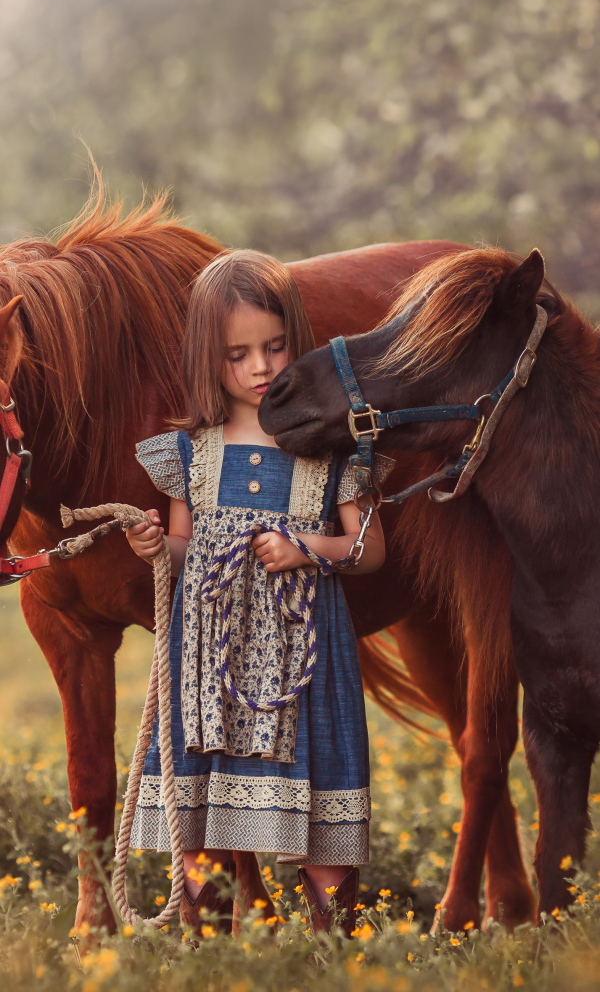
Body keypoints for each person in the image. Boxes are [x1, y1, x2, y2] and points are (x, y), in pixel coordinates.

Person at [125, 250, 390, 938]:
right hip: (213, 661)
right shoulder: (190, 452)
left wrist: (308, 547)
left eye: (274, 347)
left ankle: (333, 946)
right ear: (206, 358)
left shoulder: (330, 448)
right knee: (206, 814)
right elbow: (185, 549)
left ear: (294, 342)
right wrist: (160, 548)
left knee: (323, 810)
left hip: (308, 657)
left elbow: (369, 549)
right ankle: (208, 942)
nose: (260, 368)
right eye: (237, 354)